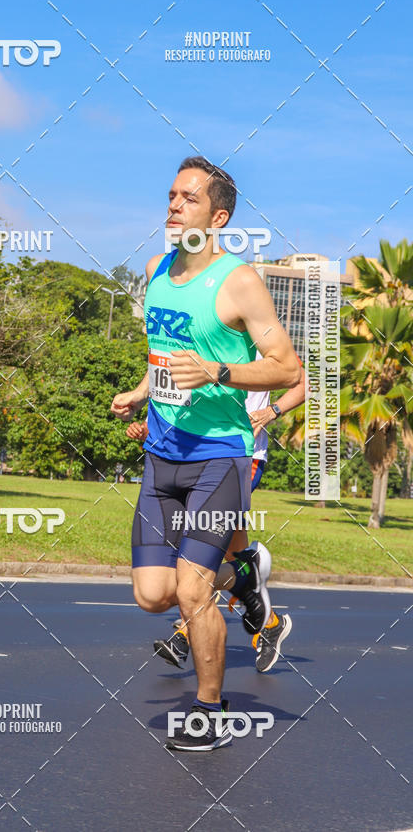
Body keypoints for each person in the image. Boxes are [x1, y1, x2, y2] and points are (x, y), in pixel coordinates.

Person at [110, 156, 301, 751]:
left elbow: (288, 369)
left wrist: (217, 369)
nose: (173, 205)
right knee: (151, 595)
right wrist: (143, 392)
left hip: (220, 456)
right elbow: (161, 350)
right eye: (170, 194)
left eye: (188, 198)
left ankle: (207, 713)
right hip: (162, 456)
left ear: (217, 216)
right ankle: (243, 577)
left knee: (192, 594)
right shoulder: (157, 269)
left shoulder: (239, 282)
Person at [126, 358, 305, 673]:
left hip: (240, 456)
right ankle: (270, 624)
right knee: (235, 554)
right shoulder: (203, 329)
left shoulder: (260, 341)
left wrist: (270, 412)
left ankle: (184, 634)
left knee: (202, 550)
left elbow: (303, 380)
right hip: (196, 456)